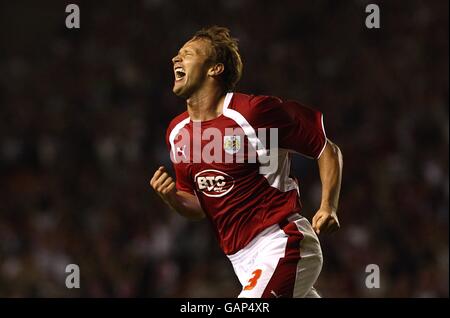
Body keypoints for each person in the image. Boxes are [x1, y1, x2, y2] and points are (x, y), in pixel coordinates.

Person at [150, 26, 343, 298]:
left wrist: (328, 206)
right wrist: (172, 198)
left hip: (282, 242)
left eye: (188, 54)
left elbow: (325, 148)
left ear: (214, 69)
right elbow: (199, 204)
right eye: (178, 54)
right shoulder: (178, 133)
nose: (175, 59)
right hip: (240, 261)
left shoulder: (253, 114)